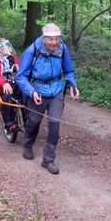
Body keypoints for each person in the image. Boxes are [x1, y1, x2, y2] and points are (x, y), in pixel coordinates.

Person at [15, 23, 79, 175]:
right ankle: (28, 144)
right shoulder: (32, 51)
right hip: (38, 90)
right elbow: (21, 77)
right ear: (44, 38)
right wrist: (31, 92)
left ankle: (48, 160)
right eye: (50, 39)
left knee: (55, 125)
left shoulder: (62, 49)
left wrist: (72, 85)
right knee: (34, 121)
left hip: (56, 90)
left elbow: (69, 71)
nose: (54, 42)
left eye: (56, 39)